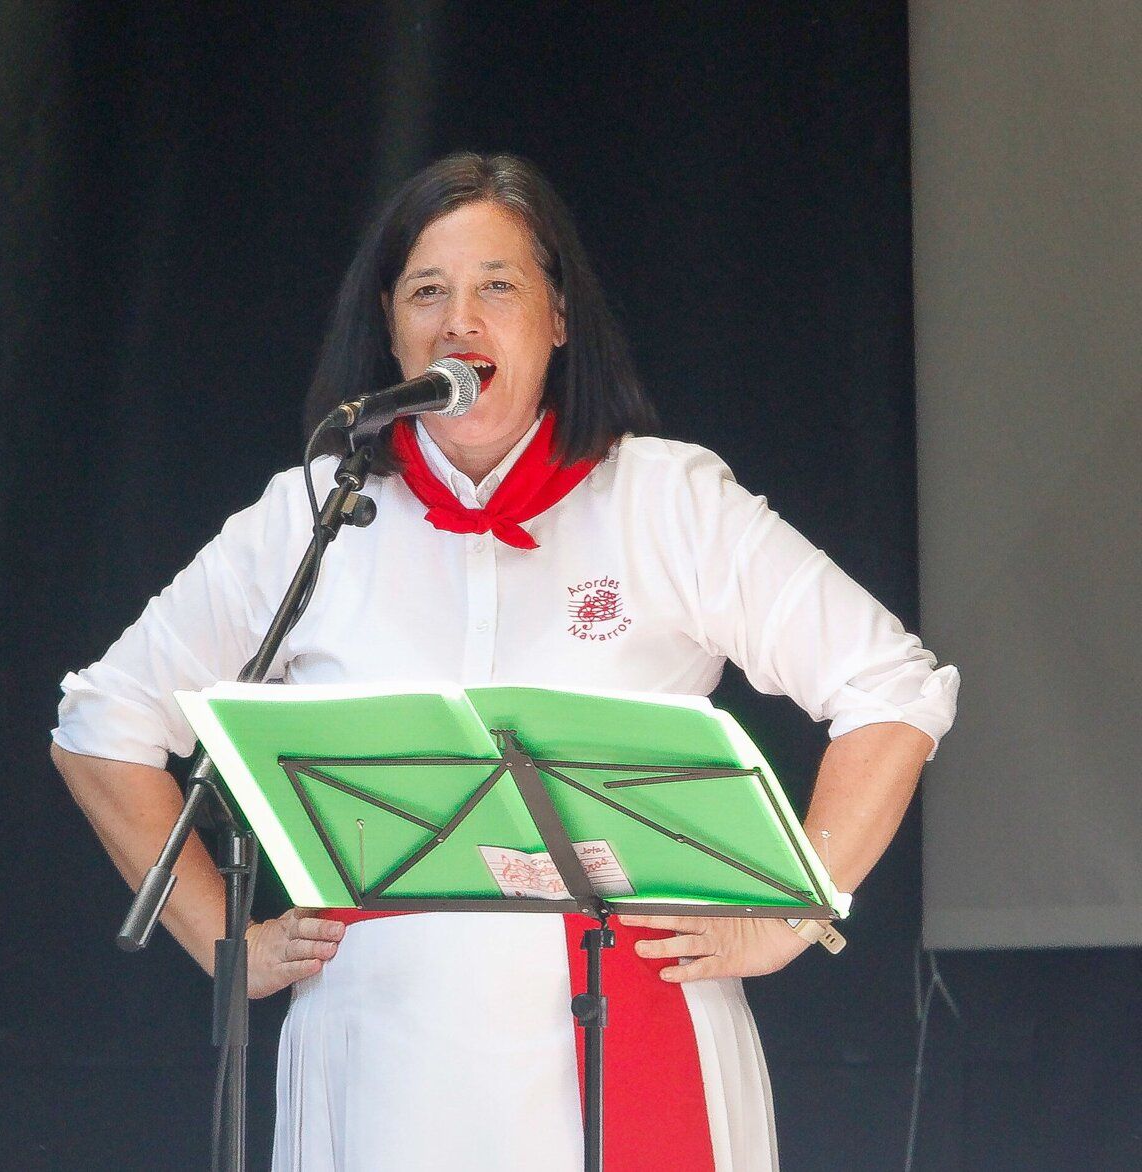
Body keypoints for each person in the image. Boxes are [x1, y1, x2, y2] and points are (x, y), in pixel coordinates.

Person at [52, 152, 959, 1171]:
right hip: (380, 1059)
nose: (459, 321)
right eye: (427, 291)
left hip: (627, 1040)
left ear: (558, 319)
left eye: (497, 286)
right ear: (389, 325)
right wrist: (231, 940)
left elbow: (892, 684)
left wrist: (797, 906)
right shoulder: (310, 515)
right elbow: (102, 725)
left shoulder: (662, 501)